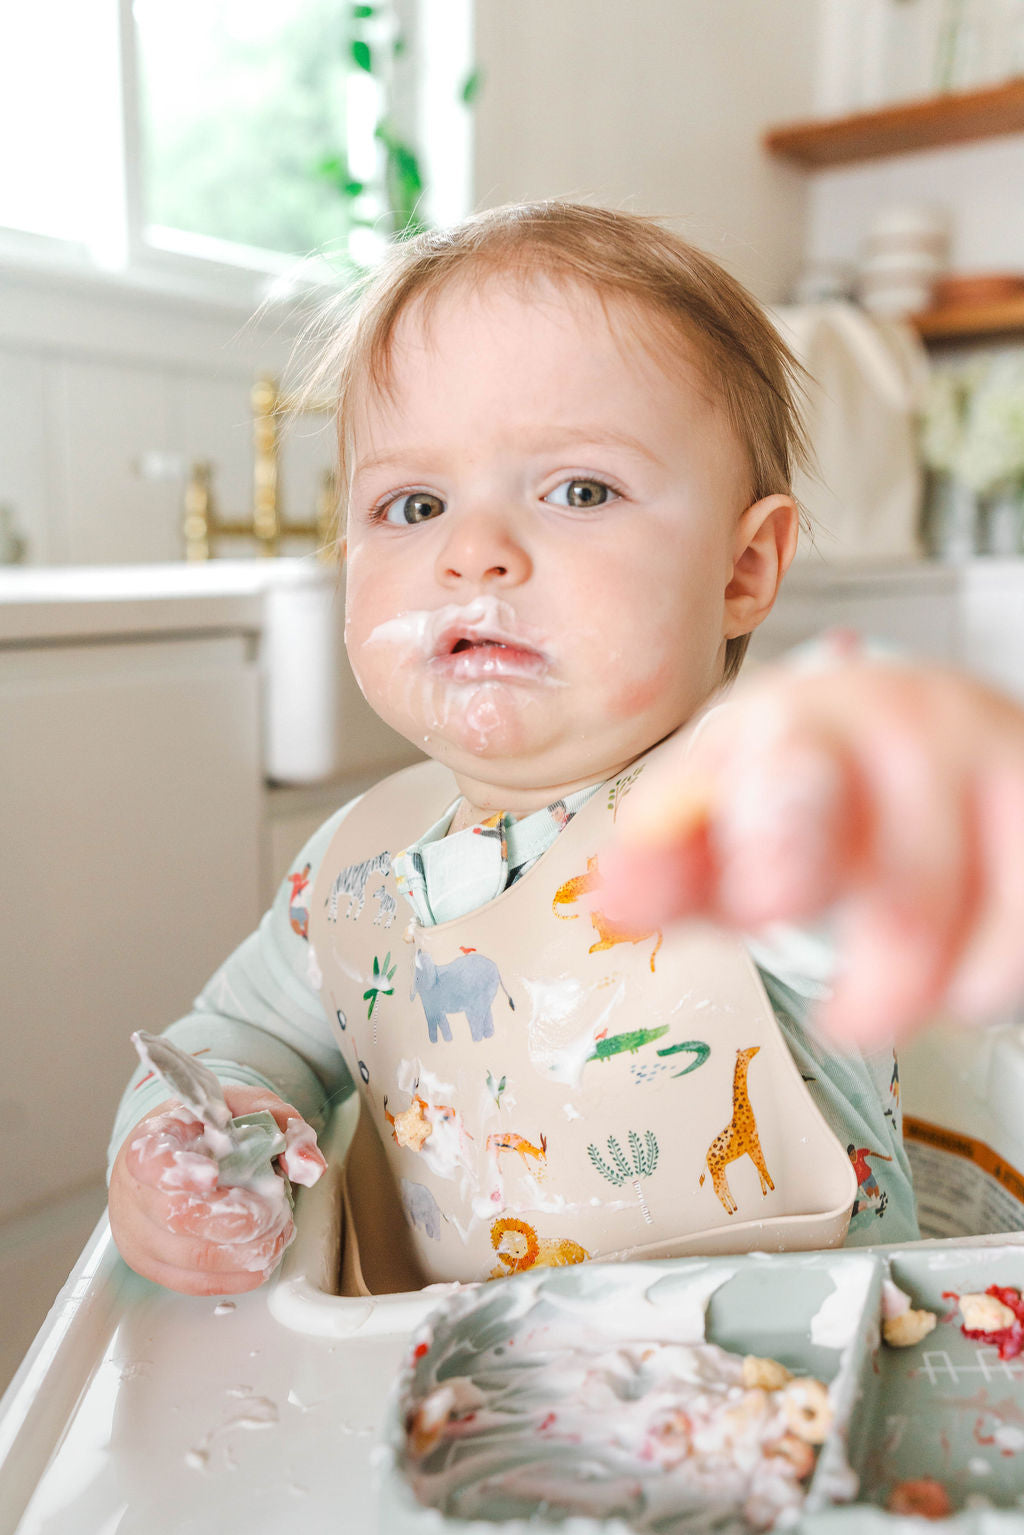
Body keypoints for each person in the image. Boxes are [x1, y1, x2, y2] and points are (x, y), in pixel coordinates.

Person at [107, 202, 1024, 1295]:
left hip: (812, 1383)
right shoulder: (348, 869)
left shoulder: (737, 819)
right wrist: (189, 1135)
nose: (473, 550)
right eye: (414, 502)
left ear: (741, 570)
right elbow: (240, 1035)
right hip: (455, 1387)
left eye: (579, 490)